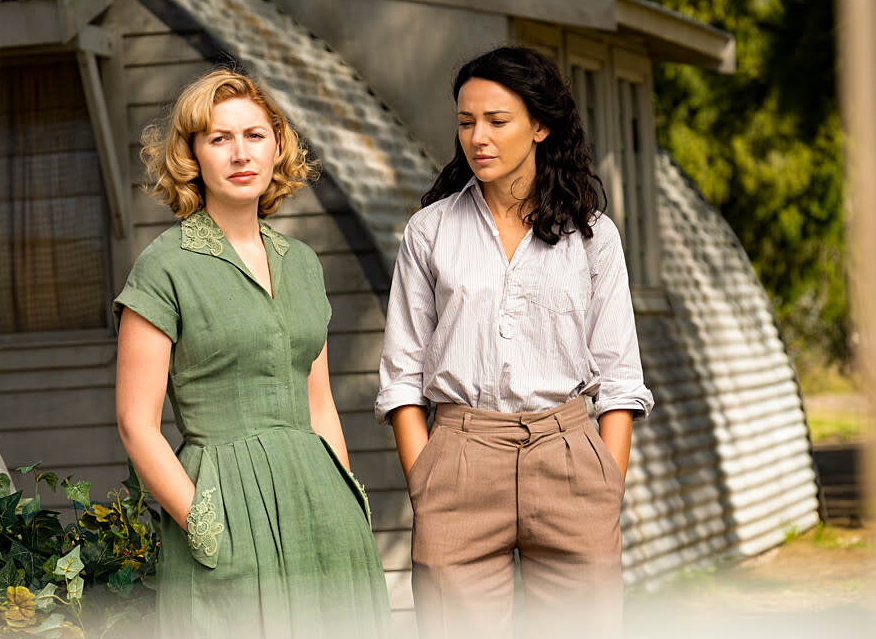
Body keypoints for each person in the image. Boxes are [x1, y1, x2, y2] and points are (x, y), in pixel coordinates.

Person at [376, 46, 654, 639]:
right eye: (465, 122)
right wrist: (425, 472)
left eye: (497, 121)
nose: (478, 137)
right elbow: (401, 372)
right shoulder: (429, 232)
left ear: (541, 125)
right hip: (459, 458)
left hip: (571, 458)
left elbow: (620, 375)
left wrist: (607, 479)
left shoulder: (592, 235)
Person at [115, 69, 390, 638]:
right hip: (225, 504)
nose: (240, 153)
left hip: (322, 507)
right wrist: (205, 524)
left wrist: (348, 495)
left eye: (255, 135)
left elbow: (320, 406)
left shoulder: (303, 263)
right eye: (219, 138)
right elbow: (136, 425)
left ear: (277, 146)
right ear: (192, 154)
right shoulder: (164, 266)